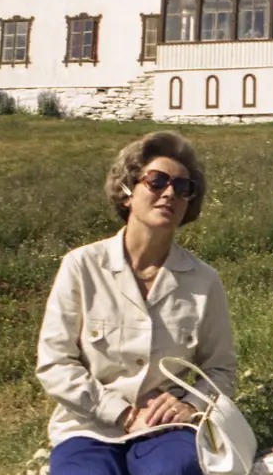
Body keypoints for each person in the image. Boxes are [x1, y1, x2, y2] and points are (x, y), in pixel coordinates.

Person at [37, 130, 237, 475]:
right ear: (128, 192)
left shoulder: (204, 280)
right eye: (157, 181)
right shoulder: (82, 266)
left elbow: (221, 370)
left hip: (168, 430)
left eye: (183, 187)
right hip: (88, 426)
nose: (170, 192)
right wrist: (123, 414)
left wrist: (188, 404)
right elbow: (56, 363)